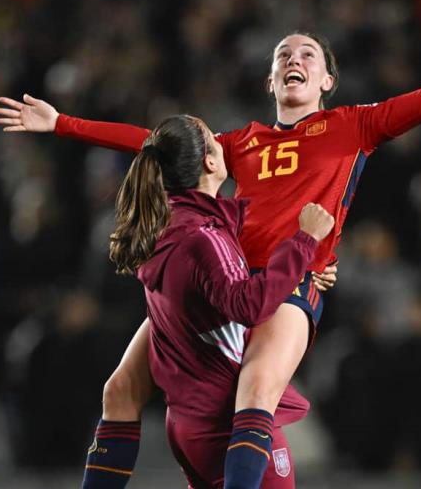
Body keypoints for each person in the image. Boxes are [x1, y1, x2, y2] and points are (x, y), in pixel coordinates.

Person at [0, 2, 421, 488]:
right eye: (282, 56)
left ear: (326, 80)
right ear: (271, 80)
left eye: (308, 55)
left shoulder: (355, 126)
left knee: (255, 389)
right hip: (216, 281)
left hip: (286, 284)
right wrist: (64, 122)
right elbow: (157, 144)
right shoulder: (240, 141)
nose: (293, 59)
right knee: (119, 388)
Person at [101, 113, 334, 488]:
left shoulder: (169, 227)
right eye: (214, 138)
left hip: (186, 425)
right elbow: (248, 305)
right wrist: (305, 243)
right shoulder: (203, 237)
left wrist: (304, 267)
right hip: (227, 427)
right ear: (210, 161)